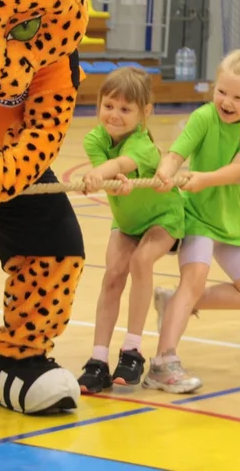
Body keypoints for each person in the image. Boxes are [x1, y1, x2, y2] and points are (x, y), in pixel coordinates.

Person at [146, 41, 240, 394]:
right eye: (221, 92)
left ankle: (172, 302)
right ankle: (162, 362)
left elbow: (238, 169)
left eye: (238, 98)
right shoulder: (204, 117)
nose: (226, 102)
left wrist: (204, 178)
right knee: (195, 278)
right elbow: (177, 154)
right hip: (195, 216)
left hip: (230, 219)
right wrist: (165, 169)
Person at [77, 68, 185, 392]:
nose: (114, 115)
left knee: (140, 262)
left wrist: (101, 174)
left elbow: (121, 165)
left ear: (145, 113)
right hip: (125, 222)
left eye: (125, 109)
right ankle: (98, 359)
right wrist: (108, 179)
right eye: (108, 105)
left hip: (162, 218)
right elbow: (113, 172)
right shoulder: (94, 138)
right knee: (112, 276)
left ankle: (132, 351)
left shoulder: (143, 146)